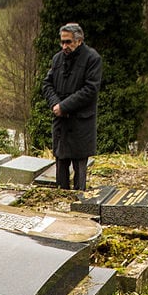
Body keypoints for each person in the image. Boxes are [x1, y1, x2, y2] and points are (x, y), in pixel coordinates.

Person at [40, 22, 101, 190]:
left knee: (80, 167)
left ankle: (79, 202)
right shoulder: (57, 59)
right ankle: (61, 199)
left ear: (79, 41)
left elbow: (90, 89)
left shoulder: (92, 59)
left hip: (81, 122)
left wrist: (65, 106)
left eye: (68, 42)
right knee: (61, 163)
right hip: (61, 122)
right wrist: (55, 104)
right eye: (62, 42)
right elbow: (47, 84)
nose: (64, 46)